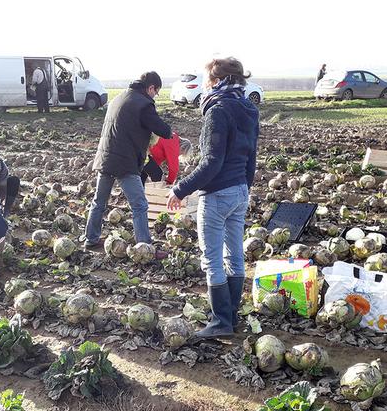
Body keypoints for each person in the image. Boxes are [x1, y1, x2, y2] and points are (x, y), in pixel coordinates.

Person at [168, 57, 259, 339]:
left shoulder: (217, 110)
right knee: (234, 255)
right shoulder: (249, 108)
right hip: (240, 191)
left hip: (218, 195)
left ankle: (221, 321)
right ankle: (230, 315)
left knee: (212, 260)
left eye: (207, 79)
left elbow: (211, 163)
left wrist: (180, 189)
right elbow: (251, 158)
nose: (205, 84)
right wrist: (244, 187)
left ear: (217, 80)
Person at [84, 71, 172, 249]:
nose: (155, 96)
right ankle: (144, 247)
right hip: (125, 161)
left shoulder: (119, 98)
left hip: (106, 157)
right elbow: (161, 129)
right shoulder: (143, 104)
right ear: (151, 87)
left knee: (99, 202)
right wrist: (170, 132)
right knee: (139, 205)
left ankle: (90, 239)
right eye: (156, 92)